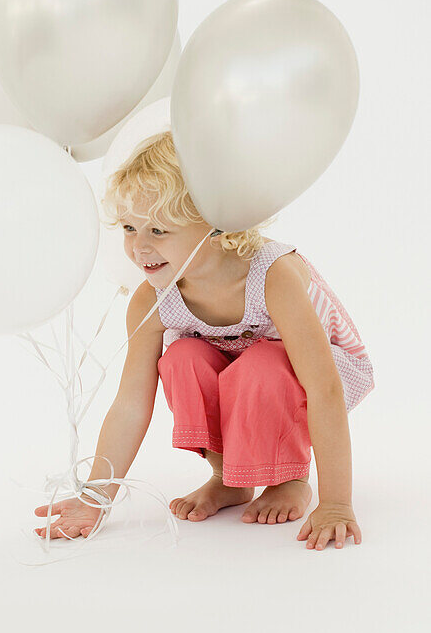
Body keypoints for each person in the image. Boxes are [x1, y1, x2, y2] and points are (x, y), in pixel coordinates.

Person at [34, 129, 374, 551]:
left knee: (261, 365)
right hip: (238, 374)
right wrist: (94, 497)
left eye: (158, 230)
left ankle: (290, 478)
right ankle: (230, 476)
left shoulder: (273, 276)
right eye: (128, 227)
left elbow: (324, 389)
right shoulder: (150, 301)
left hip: (317, 373)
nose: (139, 248)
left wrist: (337, 503)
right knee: (182, 359)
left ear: (217, 224)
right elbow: (130, 403)